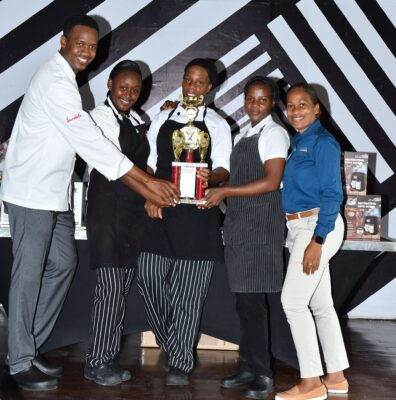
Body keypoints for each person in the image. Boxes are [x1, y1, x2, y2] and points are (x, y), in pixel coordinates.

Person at [0, 15, 177, 392]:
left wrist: (148, 181)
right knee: (28, 276)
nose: (86, 51)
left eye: (92, 46)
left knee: (64, 263)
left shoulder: (70, 83)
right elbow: (91, 142)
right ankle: (18, 361)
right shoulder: (54, 80)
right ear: (63, 42)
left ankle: (27, 349)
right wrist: (147, 184)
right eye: (80, 43)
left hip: (55, 194)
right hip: (31, 193)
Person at [137, 58, 232, 385]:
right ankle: (171, 340)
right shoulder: (162, 117)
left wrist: (211, 175)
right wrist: (149, 194)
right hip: (160, 209)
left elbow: (223, 168)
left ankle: (179, 362)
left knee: (188, 295)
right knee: (148, 275)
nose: (192, 87)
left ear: (209, 88)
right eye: (188, 80)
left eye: (199, 82)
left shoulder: (218, 125)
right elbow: (147, 165)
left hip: (198, 214)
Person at [203, 76, 290, 399]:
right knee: (244, 303)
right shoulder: (247, 133)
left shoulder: (275, 134)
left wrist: (224, 190)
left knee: (254, 305)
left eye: (262, 99)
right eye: (250, 98)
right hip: (241, 226)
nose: (254, 104)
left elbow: (270, 182)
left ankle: (263, 374)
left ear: (272, 103)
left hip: (260, 227)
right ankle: (248, 366)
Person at [275, 83, 349, 400]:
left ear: (317, 108)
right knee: (320, 305)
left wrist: (318, 239)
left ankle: (310, 383)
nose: (296, 111)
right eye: (291, 106)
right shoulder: (299, 142)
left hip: (317, 226)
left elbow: (334, 194)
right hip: (301, 227)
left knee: (292, 303)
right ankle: (335, 377)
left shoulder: (322, 143)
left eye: (303, 105)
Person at [83, 60, 150, 386]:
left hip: (132, 213)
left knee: (120, 288)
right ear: (109, 84)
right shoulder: (98, 118)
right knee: (109, 288)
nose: (128, 94)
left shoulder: (136, 119)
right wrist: (154, 189)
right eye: (123, 87)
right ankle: (98, 361)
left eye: (135, 89)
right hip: (108, 210)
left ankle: (105, 356)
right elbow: (117, 165)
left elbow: (145, 167)